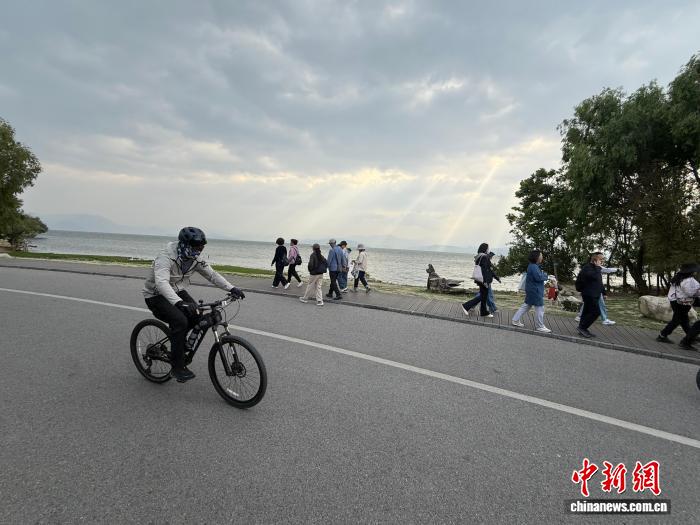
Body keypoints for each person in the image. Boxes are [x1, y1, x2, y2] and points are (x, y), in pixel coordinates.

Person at [142, 227, 245, 382]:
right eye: (197, 247)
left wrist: (231, 288)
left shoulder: (194, 258)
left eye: (202, 247)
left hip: (176, 290)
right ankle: (177, 367)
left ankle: (180, 343)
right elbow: (162, 283)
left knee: (197, 316)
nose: (199, 251)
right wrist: (179, 302)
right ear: (185, 245)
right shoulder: (165, 257)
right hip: (155, 295)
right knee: (180, 321)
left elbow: (212, 275)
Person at [657, 263, 700, 344]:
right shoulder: (687, 280)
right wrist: (698, 292)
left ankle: (690, 336)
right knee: (676, 321)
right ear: (691, 271)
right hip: (682, 303)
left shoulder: (680, 277)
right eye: (695, 270)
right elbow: (690, 293)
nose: (696, 272)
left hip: (676, 301)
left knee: (684, 320)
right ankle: (662, 335)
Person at [510, 250, 551, 333]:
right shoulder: (534, 267)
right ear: (537, 257)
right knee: (540, 308)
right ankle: (540, 326)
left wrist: (545, 275)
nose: (542, 257)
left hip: (531, 290)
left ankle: (515, 320)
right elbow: (538, 277)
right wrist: (547, 276)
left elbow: (538, 276)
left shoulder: (532, 266)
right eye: (541, 256)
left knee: (526, 306)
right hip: (535, 291)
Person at [576, 252, 605, 338]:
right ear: (595, 260)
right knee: (596, 312)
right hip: (589, 294)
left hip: (594, 294)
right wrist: (597, 267)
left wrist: (604, 292)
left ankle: (582, 328)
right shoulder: (588, 268)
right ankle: (582, 327)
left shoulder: (596, 268)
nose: (602, 261)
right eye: (600, 259)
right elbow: (592, 276)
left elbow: (599, 281)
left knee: (586, 312)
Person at [461, 243, 495, 318]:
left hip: (479, 279)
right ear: (485, 249)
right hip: (483, 279)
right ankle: (466, 306)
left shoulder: (479, 256)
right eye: (488, 248)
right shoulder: (484, 256)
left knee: (484, 296)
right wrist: (485, 281)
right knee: (483, 296)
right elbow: (484, 270)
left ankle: (484, 312)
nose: (488, 249)